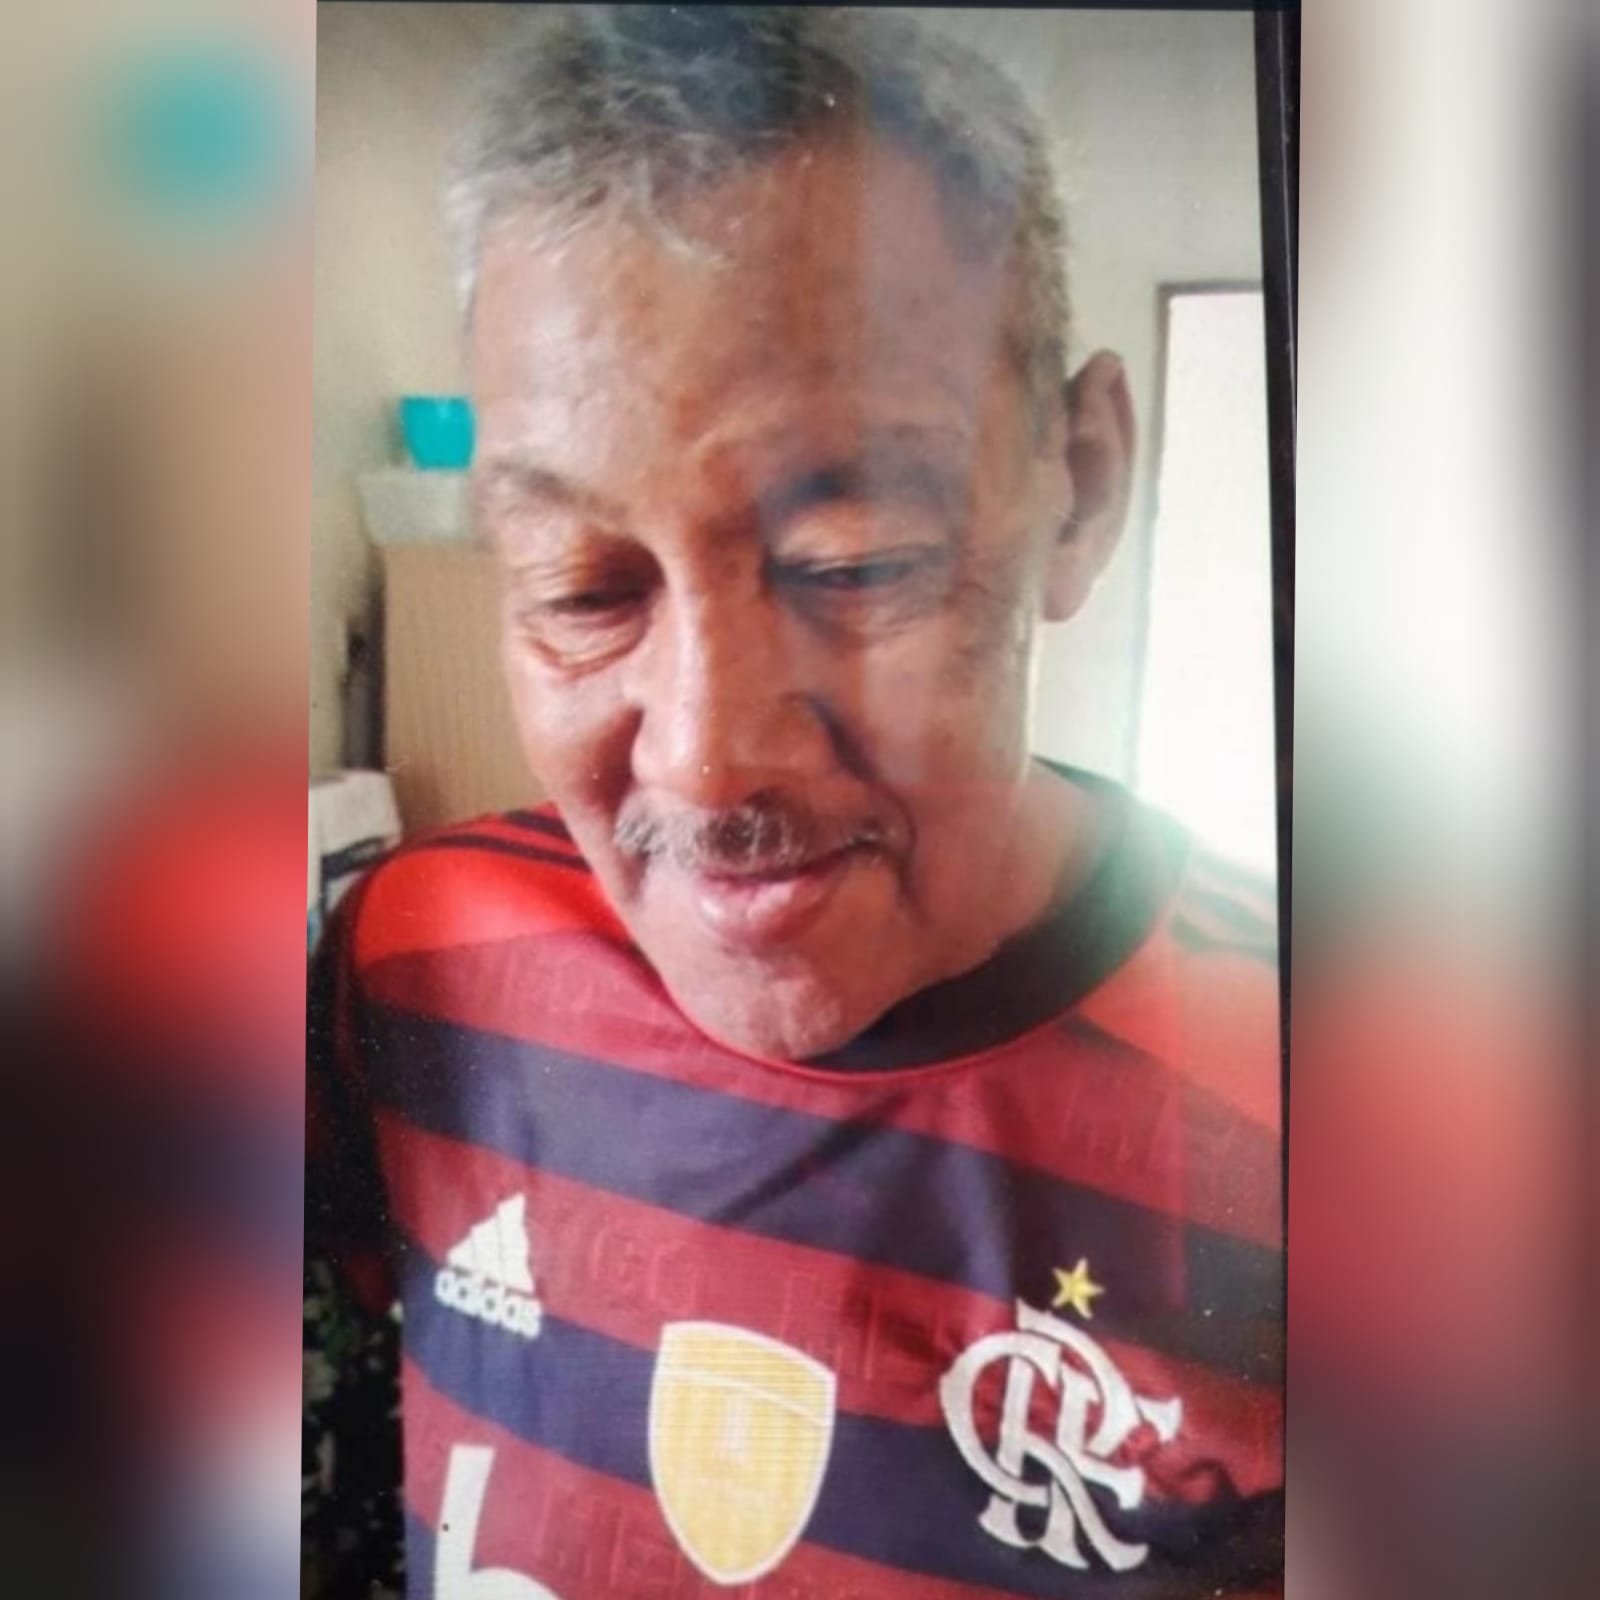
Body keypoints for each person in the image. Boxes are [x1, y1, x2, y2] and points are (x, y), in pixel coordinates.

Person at [307, 8, 1284, 1597]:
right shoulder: (418, 969)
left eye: (855, 565)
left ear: (1081, 486)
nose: (703, 761)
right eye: (580, 587)